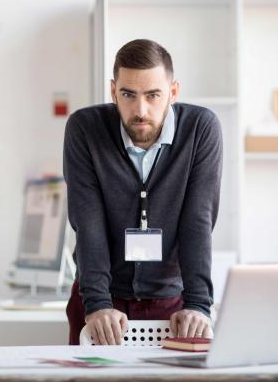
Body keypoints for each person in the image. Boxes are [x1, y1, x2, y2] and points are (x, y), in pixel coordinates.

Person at [63, 39, 222, 345]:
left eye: (153, 95)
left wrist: (198, 305)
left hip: (173, 305)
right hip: (100, 302)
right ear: (113, 91)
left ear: (173, 92)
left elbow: (198, 221)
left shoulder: (201, 129)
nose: (140, 110)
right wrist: (97, 304)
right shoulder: (85, 129)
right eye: (128, 95)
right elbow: (88, 223)